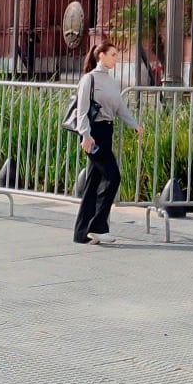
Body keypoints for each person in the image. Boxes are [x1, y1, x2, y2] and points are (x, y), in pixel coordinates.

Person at [69, 41, 142, 245]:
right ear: (100, 55)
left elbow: (120, 108)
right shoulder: (89, 79)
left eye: (116, 55)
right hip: (93, 134)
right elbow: (82, 111)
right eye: (112, 54)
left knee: (93, 183)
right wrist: (85, 135)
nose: (116, 58)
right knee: (113, 177)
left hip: (106, 132)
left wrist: (134, 124)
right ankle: (98, 227)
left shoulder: (112, 82)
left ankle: (81, 233)